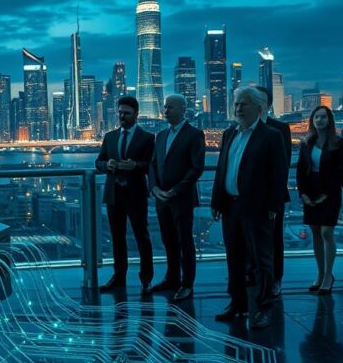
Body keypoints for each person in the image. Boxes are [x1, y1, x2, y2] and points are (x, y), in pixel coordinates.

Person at [210, 86, 287, 329]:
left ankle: (263, 308)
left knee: (262, 260)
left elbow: (279, 173)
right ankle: (237, 303)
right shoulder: (229, 134)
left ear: (259, 107)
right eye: (236, 104)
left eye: (244, 104)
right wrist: (216, 201)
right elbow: (222, 169)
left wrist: (273, 205)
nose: (238, 108)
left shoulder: (271, 136)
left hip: (257, 207)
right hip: (230, 206)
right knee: (234, 256)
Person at [148, 94, 205, 301]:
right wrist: (154, 188)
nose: (166, 111)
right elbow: (153, 165)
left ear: (183, 109)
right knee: (168, 240)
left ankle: (187, 284)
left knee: (185, 242)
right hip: (162, 199)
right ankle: (172, 278)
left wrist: (175, 190)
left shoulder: (195, 134)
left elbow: (196, 168)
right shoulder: (161, 135)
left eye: (170, 107)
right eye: (165, 107)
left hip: (181, 199)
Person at [95, 95, 155, 293]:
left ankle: (146, 279)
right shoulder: (110, 137)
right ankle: (119, 277)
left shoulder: (147, 138)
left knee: (141, 236)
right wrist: (107, 164)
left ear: (136, 114)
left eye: (126, 113)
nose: (122, 116)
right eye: (120, 112)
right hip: (114, 194)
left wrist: (135, 165)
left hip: (136, 194)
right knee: (117, 237)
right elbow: (98, 162)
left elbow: (151, 165)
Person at [296, 105, 343, 294]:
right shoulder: (306, 142)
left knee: (327, 232)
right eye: (316, 117)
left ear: (329, 120)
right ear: (312, 121)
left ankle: (328, 275)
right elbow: (301, 170)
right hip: (311, 190)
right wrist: (303, 194)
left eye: (323, 117)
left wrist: (325, 194)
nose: (320, 120)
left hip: (330, 191)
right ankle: (320, 273)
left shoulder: (338, 143)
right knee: (316, 233)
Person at [256, 86, 292, 297]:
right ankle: (255, 276)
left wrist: (274, 196)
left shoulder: (280, 128)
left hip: (272, 195)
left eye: (260, 100)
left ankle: (276, 278)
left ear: (268, 104)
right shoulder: (242, 127)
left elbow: (283, 165)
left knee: (275, 238)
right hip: (248, 196)